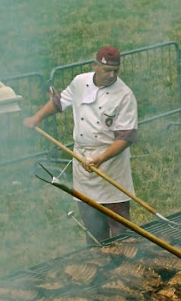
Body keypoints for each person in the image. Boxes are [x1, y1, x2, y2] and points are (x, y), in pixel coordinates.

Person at [24, 46, 138, 244]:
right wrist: (37, 117)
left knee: (119, 224)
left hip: (111, 163)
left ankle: (126, 263)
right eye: (107, 70)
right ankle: (96, 258)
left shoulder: (125, 95)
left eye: (116, 71)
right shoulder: (80, 82)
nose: (112, 75)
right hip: (82, 159)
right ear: (95, 65)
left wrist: (100, 159)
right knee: (92, 221)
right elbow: (59, 102)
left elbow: (125, 137)